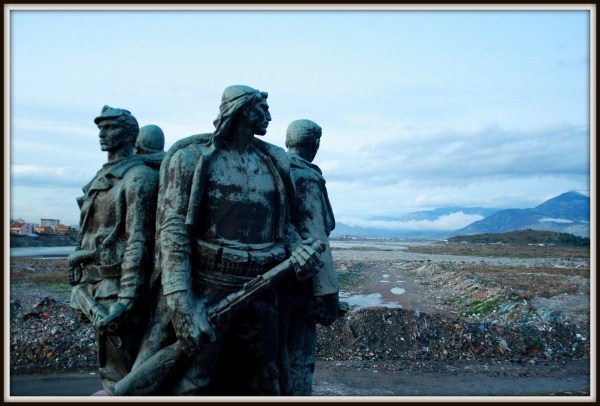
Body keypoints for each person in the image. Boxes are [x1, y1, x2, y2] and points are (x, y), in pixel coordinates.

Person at [115, 85, 323, 396]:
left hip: (264, 288)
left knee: (267, 378)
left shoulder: (273, 161)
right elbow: (173, 233)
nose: (269, 116)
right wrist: (180, 302)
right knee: (194, 380)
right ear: (241, 110)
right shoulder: (190, 158)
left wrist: (298, 248)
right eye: (262, 109)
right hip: (209, 287)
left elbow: (284, 224)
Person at [67, 105, 159, 394]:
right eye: (100, 128)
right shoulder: (103, 177)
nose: (103, 134)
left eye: (111, 128)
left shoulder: (138, 178)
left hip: (117, 290)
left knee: (123, 378)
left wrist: (127, 299)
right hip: (94, 287)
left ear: (130, 133)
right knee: (109, 372)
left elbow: (138, 241)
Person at [279, 119, 341, 395]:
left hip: (271, 279)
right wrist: (328, 291)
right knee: (299, 359)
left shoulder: (273, 168)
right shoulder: (305, 176)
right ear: (315, 145)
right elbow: (315, 234)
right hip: (299, 283)